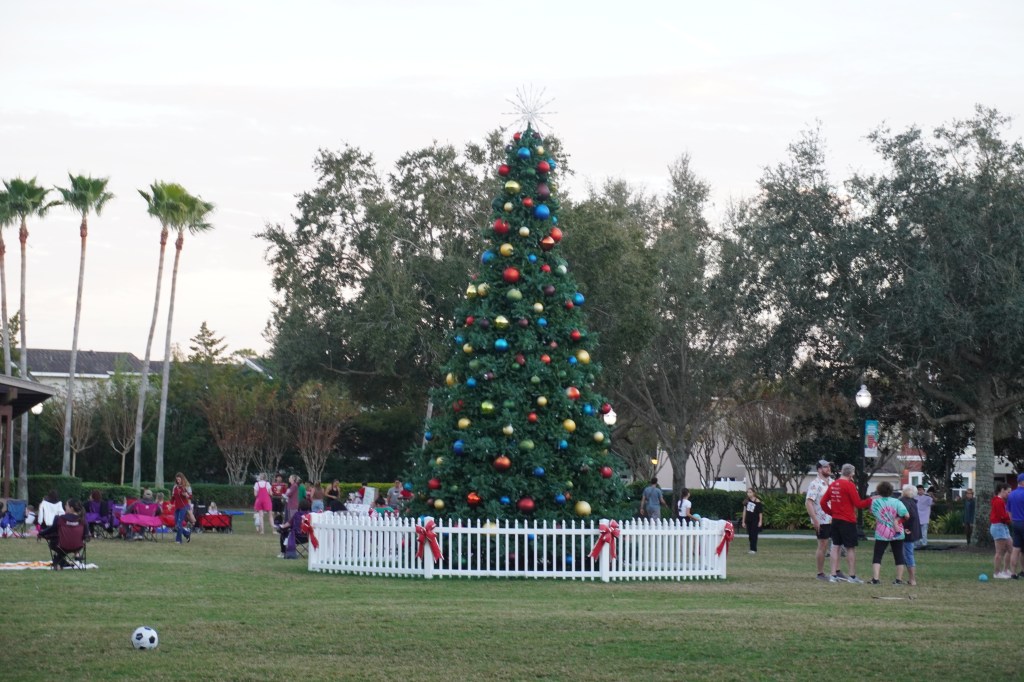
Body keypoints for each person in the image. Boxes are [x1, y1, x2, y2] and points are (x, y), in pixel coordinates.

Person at [821, 463, 874, 583]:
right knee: (850, 548)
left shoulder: (833, 484)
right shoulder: (849, 485)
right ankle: (852, 576)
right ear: (851, 473)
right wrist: (871, 500)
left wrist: (832, 513)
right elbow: (859, 504)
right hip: (848, 521)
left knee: (835, 546)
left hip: (836, 520)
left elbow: (823, 502)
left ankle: (833, 575)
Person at [868, 482, 910, 585]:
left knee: (878, 555)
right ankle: (899, 579)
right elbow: (907, 515)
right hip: (897, 532)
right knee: (899, 555)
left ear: (879, 491)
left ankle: (876, 579)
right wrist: (897, 521)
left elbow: (871, 511)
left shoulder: (875, 502)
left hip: (882, 532)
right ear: (891, 491)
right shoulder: (897, 502)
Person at [805, 459, 835, 580]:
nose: (828, 468)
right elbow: (808, 502)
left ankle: (835, 572)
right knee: (823, 545)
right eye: (825, 467)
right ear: (819, 469)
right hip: (822, 519)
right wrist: (815, 519)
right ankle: (820, 573)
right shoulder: (815, 484)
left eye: (829, 466)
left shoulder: (833, 482)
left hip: (834, 518)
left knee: (836, 545)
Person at [38, 498, 88, 568]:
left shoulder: (60, 519)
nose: (65, 507)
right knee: (67, 542)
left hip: (62, 546)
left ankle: (58, 562)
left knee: (54, 542)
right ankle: (76, 554)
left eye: (66, 505)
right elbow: (86, 535)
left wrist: (41, 533)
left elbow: (52, 529)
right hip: (78, 546)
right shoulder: (83, 520)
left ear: (71, 508)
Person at [990, 483, 1013, 579]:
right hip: (998, 526)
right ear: (1002, 490)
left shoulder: (1000, 501)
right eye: (1008, 492)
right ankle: (997, 573)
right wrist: (1010, 519)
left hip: (1003, 527)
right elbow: (1002, 516)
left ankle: (1006, 570)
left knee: (1011, 548)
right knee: (999, 552)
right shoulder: (998, 501)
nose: (1009, 494)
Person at [900, 485, 922, 586]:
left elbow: (906, 516)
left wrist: (905, 528)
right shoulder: (913, 502)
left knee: (907, 554)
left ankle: (910, 579)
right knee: (908, 554)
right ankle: (910, 579)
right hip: (913, 531)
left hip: (907, 531)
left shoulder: (903, 501)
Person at [1006, 473, 1024, 580]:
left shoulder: (1011, 494)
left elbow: (1009, 512)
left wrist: (1014, 522)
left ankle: (1013, 573)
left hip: (1016, 523)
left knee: (1016, 549)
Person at [171, 472, 193, 544]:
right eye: (177, 479)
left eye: (179, 479)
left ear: (182, 479)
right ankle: (187, 533)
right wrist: (171, 502)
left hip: (184, 506)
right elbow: (173, 497)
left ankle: (178, 540)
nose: (178, 481)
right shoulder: (175, 487)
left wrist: (186, 495)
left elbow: (190, 496)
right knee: (176, 524)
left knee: (179, 523)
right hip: (177, 507)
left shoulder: (186, 486)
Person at [741, 488, 763, 554]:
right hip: (748, 520)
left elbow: (760, 512)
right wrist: (743, 521)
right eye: (748, 492)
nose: (749, 493)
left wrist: (760, 521)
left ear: (753, 493)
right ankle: (751, 549)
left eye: (750, 492)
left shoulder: (757, 501)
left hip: (755, 520)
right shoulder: (746, 501)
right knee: (750, 535)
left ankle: (754, 549)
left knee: (754, 535)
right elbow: (744, 511)